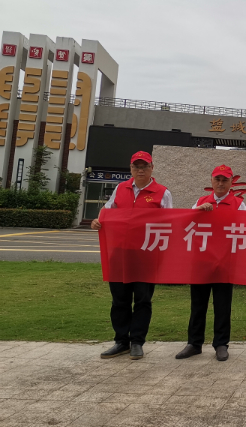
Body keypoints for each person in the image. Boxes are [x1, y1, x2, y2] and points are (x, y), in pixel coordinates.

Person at [92, 151, 173, 360]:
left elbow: (169, 222)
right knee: (119, 299)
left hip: (146, 255)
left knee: (143, 300)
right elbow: (108, 211)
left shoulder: (162, 193)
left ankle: (137, 341)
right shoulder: (121, 188)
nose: (140, 170)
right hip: (119, 254)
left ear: (152, 168)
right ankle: (121, 341)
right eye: (136, 166)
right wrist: (98, 221)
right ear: (130, 169)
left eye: (144, 166)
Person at [175, 164, 246, 362]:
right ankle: (194, 343)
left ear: (231, 182)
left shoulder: (239, 204)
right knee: (198, 305)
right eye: (217, 179)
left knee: (222, 305)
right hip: (201, 262)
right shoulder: (201, 201)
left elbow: (245, 229)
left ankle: (221, 344)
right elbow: (185, 224)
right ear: (211, 181)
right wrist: (198, 211)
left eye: (225, 180)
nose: (221, 183)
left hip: (225, 263)